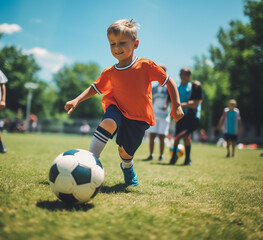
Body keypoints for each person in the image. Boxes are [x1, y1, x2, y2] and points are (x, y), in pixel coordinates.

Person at [64, 19, 184, 186]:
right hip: (116, 107)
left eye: (122, 43)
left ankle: (127, 166)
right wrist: (76, 100)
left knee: (125, 152)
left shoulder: (145, 66)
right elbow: (96, 87)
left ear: (135, 44)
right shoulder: (110, 72)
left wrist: (177, 105)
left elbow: (169, 81)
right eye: (112, 44)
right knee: (108, 122)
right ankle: (89, 162)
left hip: (138, 117)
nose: (117, 48)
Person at [170, 68, 203, 165]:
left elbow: (194, 103)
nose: (182, 76)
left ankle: (187, 159)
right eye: (181, 74)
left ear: (189, 76)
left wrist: (180, 105)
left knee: (186, 137)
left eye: (184, 74)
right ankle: (173, 157)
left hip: (189, 116)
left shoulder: (193, 87)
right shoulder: (178, 88)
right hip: (180, 116)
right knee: (177, 137)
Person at [145, 64, 171, 161]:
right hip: (154, 114)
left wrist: (166, 105)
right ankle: (151, 154)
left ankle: (161, 155)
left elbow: (170, 99)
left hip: (164, 115)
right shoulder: (154, 88)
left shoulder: (168, 87)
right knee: (152, 134)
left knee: (162, 136)